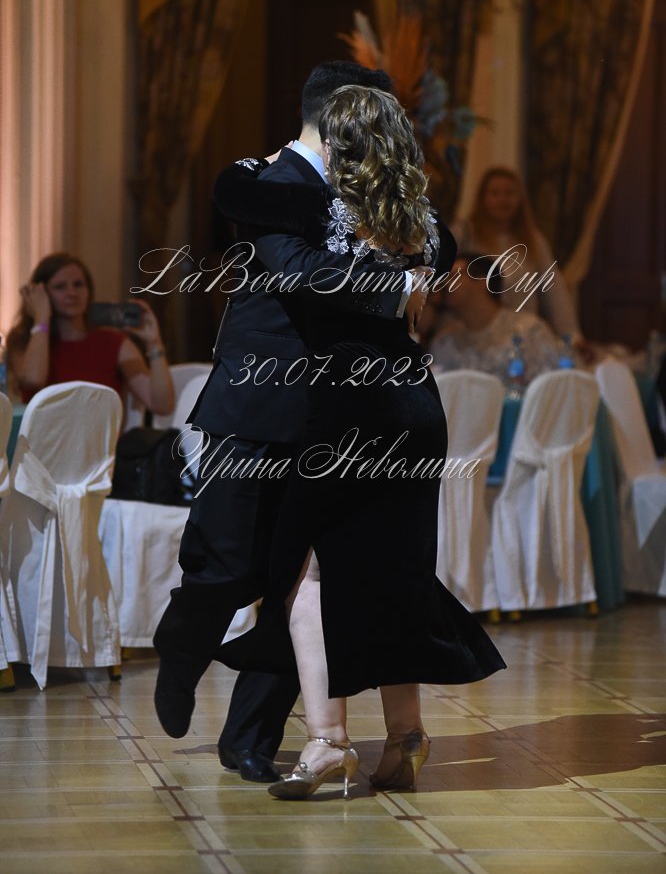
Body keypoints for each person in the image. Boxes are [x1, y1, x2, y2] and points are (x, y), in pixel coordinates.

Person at [217, 85, 506, 800]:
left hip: (350, 399)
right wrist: (405, 280)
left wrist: (268, 170)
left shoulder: (322, 212)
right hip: (415, 398)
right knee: (394, 571)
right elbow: (444, 250)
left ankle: (327, 742)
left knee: (309, 572)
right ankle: (405, 737)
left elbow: (271, 232)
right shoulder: (421, 220)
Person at [153, 62, 432, 783]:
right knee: (225, 564)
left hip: (338, 411)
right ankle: (181, 650)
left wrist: (420, 258)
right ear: (341, 114)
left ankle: (251, 734)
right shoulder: (268, 183)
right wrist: (396, 282)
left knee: (300, 576)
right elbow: (296, 267)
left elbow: (435, 233)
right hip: (260, 402)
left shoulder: (362, 182)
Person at [7, 252, 174, 415]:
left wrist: (154, 344)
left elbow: (162, 405)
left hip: (99, 434)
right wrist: (41, 317)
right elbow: (34, 380)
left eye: (78, 284)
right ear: (41, 294)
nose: (72, 293)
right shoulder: (24, 340)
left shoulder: (113, 343)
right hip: (44, 433)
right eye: (60, 287)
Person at [449, 167, 583, 344]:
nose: (503, 200)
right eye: (495, 193)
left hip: (520, 335)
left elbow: (555, 293)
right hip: (471, 335)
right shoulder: (464, 235)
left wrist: (571, 335)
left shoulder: (533, 240)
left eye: (509, 193)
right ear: (482, 198)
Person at [429, 253, 560, 382]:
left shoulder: (529, 330)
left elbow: (552, 384)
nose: (445, 284)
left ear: (482, 281)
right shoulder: (445, 342)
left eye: (454, 276)